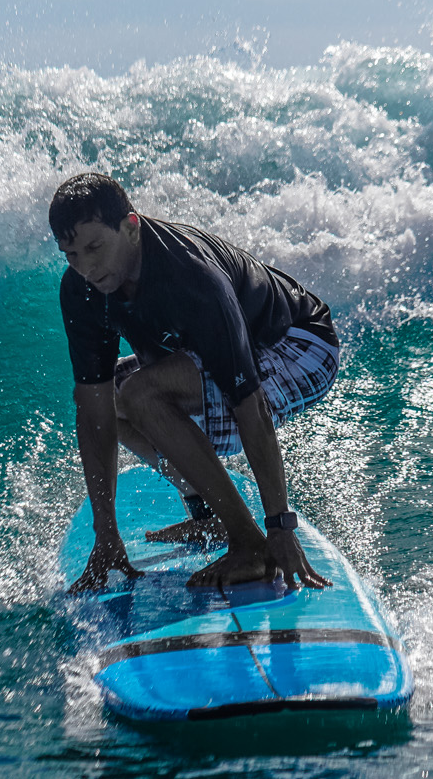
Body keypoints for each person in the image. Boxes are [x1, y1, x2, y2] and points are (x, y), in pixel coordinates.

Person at [50, 172, 341, 593]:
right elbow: (94, 414)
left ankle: (248, 544)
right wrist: (106, 532)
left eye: (95, 247)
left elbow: (251, 406)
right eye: (71, 254)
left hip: (297, 344)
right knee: (109, 398)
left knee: (142, 394)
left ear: (130, 228)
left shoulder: (191, 277)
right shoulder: (82, 290)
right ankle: (207, 513)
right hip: (214, 354)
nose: (86, 267)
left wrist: (279, 526)